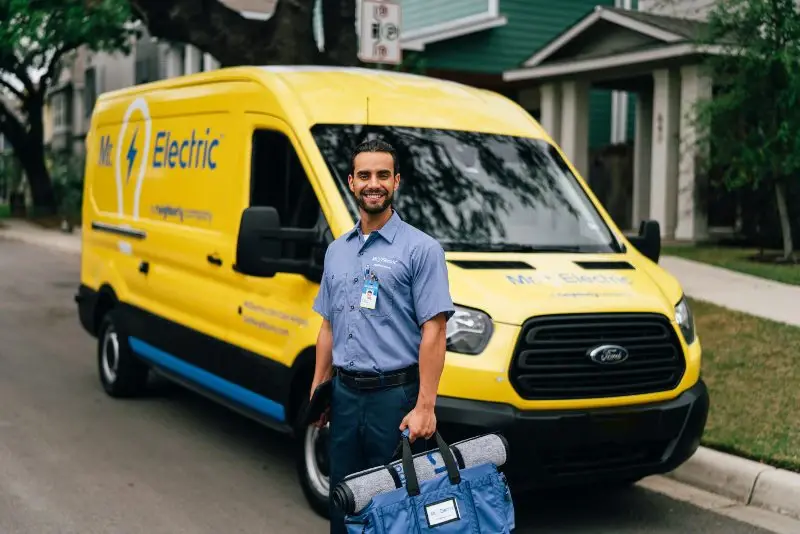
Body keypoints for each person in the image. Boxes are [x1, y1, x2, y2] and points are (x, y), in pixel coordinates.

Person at [310, 138, 455, 533]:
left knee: (397, 504)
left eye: (382, 175)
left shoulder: (422, 249)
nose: (373, 183)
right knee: (343, 499)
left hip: (394, 399)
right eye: (364, 175)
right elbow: (327, 326)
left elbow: (435, 329)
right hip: (344, 395)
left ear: (396, 182)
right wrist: (319, 390)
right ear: (352, 183)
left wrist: (426, 406)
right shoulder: (337, 250)